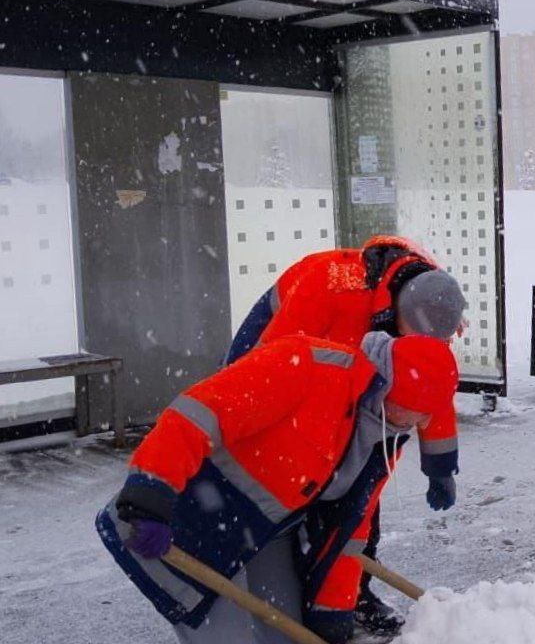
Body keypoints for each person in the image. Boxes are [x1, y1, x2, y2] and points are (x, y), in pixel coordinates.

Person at [96, 274, 465, 644]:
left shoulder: (382, 434)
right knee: (227, 638)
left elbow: (350, 527)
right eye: (418, 414)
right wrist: (149, 492)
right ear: (389, 392)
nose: (424, 425)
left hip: (267, 530)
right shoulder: (308, 368)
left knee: (286, 635)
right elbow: (198, 414)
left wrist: (333, 610)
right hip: (184, 513)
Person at [224, 234, 452, 635]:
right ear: (399, 312)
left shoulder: (432, 306)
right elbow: (271, 368)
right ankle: (272, 570)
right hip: (281, 362)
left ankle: (350, 592)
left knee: (359, 488)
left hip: (346, 377)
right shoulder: (333, 288)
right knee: (298, 472)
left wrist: (440, 465)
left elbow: (430, 385)